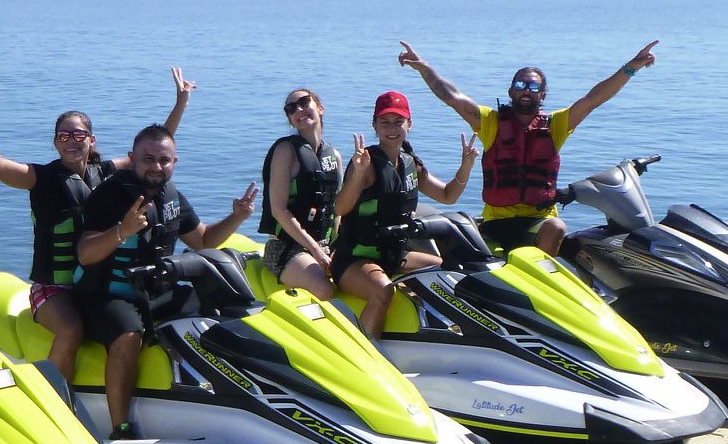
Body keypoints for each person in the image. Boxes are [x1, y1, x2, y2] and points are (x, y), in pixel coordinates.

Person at [0, 67, 195, 379]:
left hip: (91, 284)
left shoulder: (105, 172)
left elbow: (153, 152)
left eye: (78, 135)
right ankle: (54, 396)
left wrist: (180, 105)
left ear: (91, 140)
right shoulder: (41, 179)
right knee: (71, 330)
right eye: (63, 136)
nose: (71, 141)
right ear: (55, 143)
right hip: (53, 288)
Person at [74, 124, 258, 440]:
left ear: (175, 162)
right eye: (149, 159)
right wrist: (122, 231)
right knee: (128, 335)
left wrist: (237, 217)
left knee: (217, 312)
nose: (157, 167)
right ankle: (121, 427)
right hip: (107, 293)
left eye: (164, 160)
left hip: (155, 291)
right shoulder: (109, 196)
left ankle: (234, 394)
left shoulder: (170, 196)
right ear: (132, 159)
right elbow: (85, 254)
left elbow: (203, 241)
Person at [397, 40, 660, 254]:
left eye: (534, 86)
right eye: (520, 85)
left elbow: (593, 99)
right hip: (496, 223)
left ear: (542, 94)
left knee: (557, 227)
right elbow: (452, 97)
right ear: (511, 92)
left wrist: (630, 68)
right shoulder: (490, 122)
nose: (526, 90)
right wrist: (424, 68)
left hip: (539, 221)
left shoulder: (556, 125)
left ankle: (542, 283)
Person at [330, 91, 476, 338]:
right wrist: (357, 174)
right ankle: (366, 352)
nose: (392, 129)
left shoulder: (410, 164)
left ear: (409, 124)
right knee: (383, 290)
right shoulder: (366, 163)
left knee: (448, 272)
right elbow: (340, 209)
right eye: (385, 122)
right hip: (354, 260)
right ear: (375, 125)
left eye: (398, 122)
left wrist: (466, 166)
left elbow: (447, 195)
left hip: (394, 256)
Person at [259, 88, 344, 299]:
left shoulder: (334, 156)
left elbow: (337, 210)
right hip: (285, 247)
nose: (299, 110)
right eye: (291, 108)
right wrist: (315, 249)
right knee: (324, 288)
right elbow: (279, 210)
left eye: (305, 102)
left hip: (323, 244)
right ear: (290, 120)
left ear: (320, 108)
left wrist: (338, 246)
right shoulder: (285, 151)